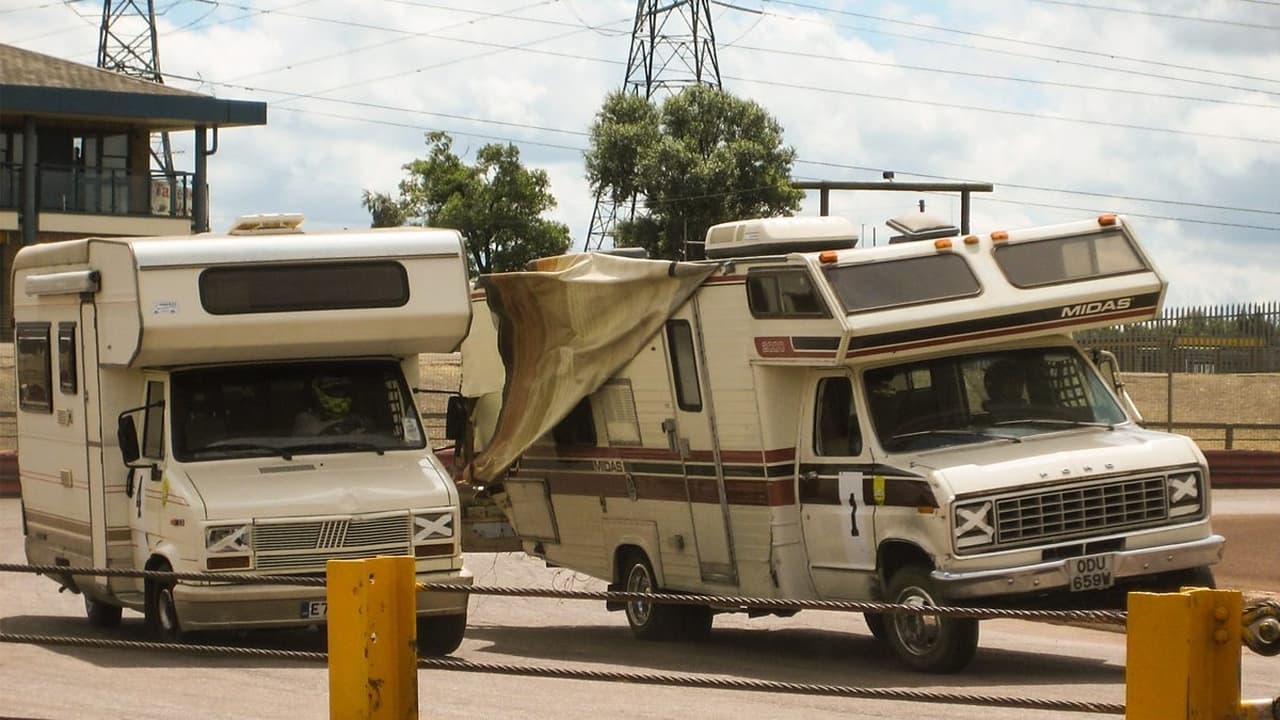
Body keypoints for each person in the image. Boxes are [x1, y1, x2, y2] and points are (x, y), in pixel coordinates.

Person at [294, 374, 368, 435]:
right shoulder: (307, 421)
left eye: (344, 391)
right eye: (334, 391)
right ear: (318, 393)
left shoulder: (360, 421)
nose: (340, 395)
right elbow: (300, 447)